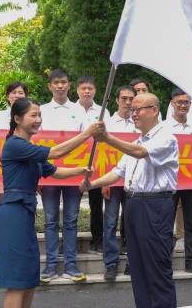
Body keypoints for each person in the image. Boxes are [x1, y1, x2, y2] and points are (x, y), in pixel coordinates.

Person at [0, 98, 103, 308]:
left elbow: (54, 171)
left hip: (24, 214)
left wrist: (80, 170)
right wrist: (87, 133)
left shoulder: (28, 148)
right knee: (17, 281)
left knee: (28, 278)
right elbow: (56, 153)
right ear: (17, 118)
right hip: (12, 215)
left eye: (39, 115)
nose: (38, 120)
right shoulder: (15, 145)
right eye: (33, 115)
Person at [81, 93, 179, 308]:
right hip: (134, 205)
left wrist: (107, 138)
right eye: (132, 110)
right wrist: (92, 184)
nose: (133, 114)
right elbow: (118, 172)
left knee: (156, 265)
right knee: (138, 265)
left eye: (139, 109)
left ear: (154, 110)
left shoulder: (166, 137)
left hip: (154, 206)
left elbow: (140, 153)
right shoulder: (137, 140)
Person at [38, 69, 86, 282]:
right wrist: (37, 176)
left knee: (71, 220)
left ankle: (71, 265)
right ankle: (49, 267)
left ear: (69, 84)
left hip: (73, 174)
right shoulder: (40, 110)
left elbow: (88, 141)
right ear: (49, 86)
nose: (59, 86)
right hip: (48, 175)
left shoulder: (79, 110)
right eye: (56, 82)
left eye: (63, 82)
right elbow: (35, 141)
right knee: (49, 221)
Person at [166, 88, 192, 275]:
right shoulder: (164, 127)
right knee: (166, 223)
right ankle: (164, 260)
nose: (183, 105)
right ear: (172, 104)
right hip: (170, 182)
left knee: (191, 223)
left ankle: (191, 260)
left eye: (186, 102)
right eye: (179, 102)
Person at [101, 85, 137, 280]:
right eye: (124, 98)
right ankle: (111, 264)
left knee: (132, 223)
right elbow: (101, 153)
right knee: (111, 222)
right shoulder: (107, 123)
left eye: (131, 98)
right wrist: (104, 182)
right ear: (117, 100)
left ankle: (133, 261)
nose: (128, 102)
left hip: (134, 180)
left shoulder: (139, 122)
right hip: (113, 180)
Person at [75, 75, 110, 254]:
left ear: (95, 90)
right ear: (77, 90)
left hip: (96, 164)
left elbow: (107, 139)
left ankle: (98, 241)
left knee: (96, 206)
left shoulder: (104, 111)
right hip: (73, 164)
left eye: (90, 88)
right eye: (83, 88)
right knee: (71, 206)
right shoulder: (70, 109)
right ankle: (68, 242)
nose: (87, 91)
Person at [0, 81, 29, 205]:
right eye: (14, 92)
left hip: (24, 162)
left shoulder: (32, 116)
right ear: (8, 96)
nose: (17, 95)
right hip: (2, 164)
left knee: (23, 200)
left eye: (20, 93)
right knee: (2, 203)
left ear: (26, 96)